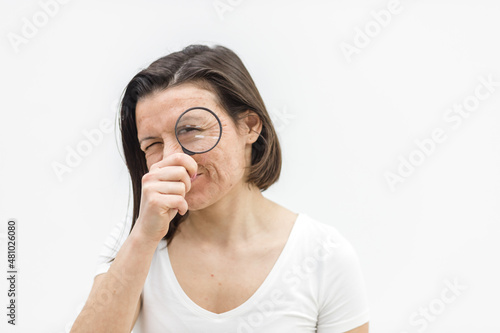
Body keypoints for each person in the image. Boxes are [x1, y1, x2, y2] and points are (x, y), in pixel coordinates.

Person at [70, 44, 370, 333]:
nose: (173, 157)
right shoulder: (135, 242)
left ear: (250, 127)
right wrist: (144, 237)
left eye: (191, 130)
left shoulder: (323, 255)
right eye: (153, 145)